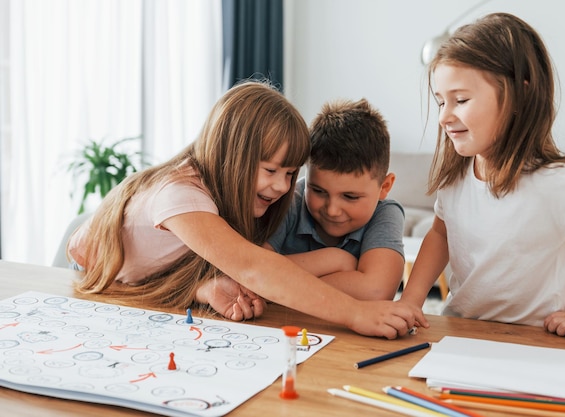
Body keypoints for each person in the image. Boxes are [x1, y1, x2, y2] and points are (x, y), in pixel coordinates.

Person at [68, 80, 426, 339]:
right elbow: (254, 268)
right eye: (271, 171)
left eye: (290, 174)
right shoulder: (179, 193)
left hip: (145, 281)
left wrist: (203, 289)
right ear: (231, 154)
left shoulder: (230, 193)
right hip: (97, 270)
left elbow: (185, 268)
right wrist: (354, 312)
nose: (284, 187)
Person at [398, 12, 565, 339]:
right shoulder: (456, 175)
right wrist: (411, 300)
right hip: (460, 333)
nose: (444, 117)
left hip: (534, 344)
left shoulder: (555, 186)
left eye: (460, 100)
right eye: (440, 102)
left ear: (518, 95)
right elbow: (441, 234)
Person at [265, 98, 405, 301]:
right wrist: (333, 260)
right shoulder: (289, 200)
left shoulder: (385, 213)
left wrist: (280, 287)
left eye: (350, 197)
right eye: (318, 191)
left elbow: (376, 291)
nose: (332, 210)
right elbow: (252, 274)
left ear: (384, 187)